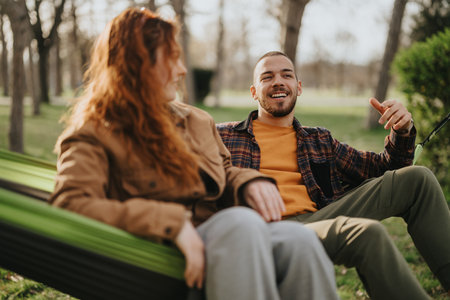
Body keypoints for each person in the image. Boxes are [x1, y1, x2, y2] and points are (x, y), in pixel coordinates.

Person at [49, 9, 339, 300]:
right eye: (170, 58)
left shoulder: (197, 120)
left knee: (299, 239)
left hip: (221, 237)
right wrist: (172, 224)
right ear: (137, 65)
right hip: (155, 252)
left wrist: (249, 182)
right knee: (241, 224)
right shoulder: (95, 132)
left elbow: (225, 172)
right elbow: (70, 203)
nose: (181, 70)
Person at [217, 50, 450, 298]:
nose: (278, 81)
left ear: (298, 86)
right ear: (253, 91)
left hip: (320, 220)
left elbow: (385, 168)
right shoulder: (224, 136)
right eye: (267, 77)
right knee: (368, 234)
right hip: (262, 229)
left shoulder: (319, 139)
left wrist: (402, 131)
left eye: (287, 75)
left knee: (417, 179)